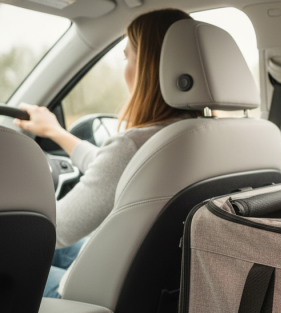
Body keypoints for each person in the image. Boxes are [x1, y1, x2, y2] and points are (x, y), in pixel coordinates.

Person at [14, 9, 202, 298]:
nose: (125, 68)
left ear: (152, 66)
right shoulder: (201, 137)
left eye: (128, 57)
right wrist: (55, 132)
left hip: (95, 301)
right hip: (153, 291)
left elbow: (57, 230)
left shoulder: (136, 144)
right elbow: (116, 170)